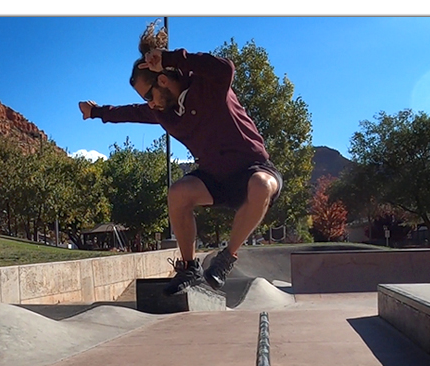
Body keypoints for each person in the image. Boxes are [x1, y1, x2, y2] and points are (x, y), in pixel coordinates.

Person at [79, 21, 282, 295]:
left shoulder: (209, 86)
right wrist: (97, 112)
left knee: (260, 185)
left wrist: (171, 58)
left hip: (253, 168)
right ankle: (189, 268)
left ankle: (226, 258)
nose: (150, 104)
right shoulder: (162, 112)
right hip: (215, 179)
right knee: (177, 194)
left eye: (149, 95)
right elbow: (130, 113)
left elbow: (226, 68)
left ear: (163, 80)